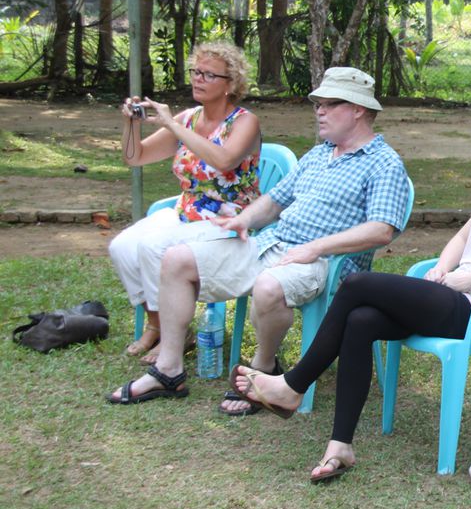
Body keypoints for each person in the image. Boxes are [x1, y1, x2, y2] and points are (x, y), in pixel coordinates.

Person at [229, 105, 471, 483]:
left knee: (355, 285)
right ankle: (339, 446)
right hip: (452, 293)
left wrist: (470, 281)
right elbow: (463, 237)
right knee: (360, 320)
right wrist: (445, 267)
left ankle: (294, 384)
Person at [107, 67, 410, 415]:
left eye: (328, 104)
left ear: (358, 109)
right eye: (317, 105)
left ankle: (263, 369)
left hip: (325, 262)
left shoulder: (383, 164)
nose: (319, 111)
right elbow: (276, 200)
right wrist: (243, 219)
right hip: (272, 244)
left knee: (268, 286)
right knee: (177, 259)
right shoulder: (320, 154)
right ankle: (169, 369)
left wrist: (316, 247)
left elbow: (382, 229)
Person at [109, 41, 261, 365]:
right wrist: (131, 123)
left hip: (227, 217)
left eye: (209, 74)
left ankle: (174, 335)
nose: (198, 79)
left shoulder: (244, 122)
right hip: (187, 210)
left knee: (152, 247)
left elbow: (223, 160)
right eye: (196, 71)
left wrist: (173, 125)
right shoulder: (189, 118)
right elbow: (135, 157)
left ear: (230, 84)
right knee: (122, 246)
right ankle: (157, 324)